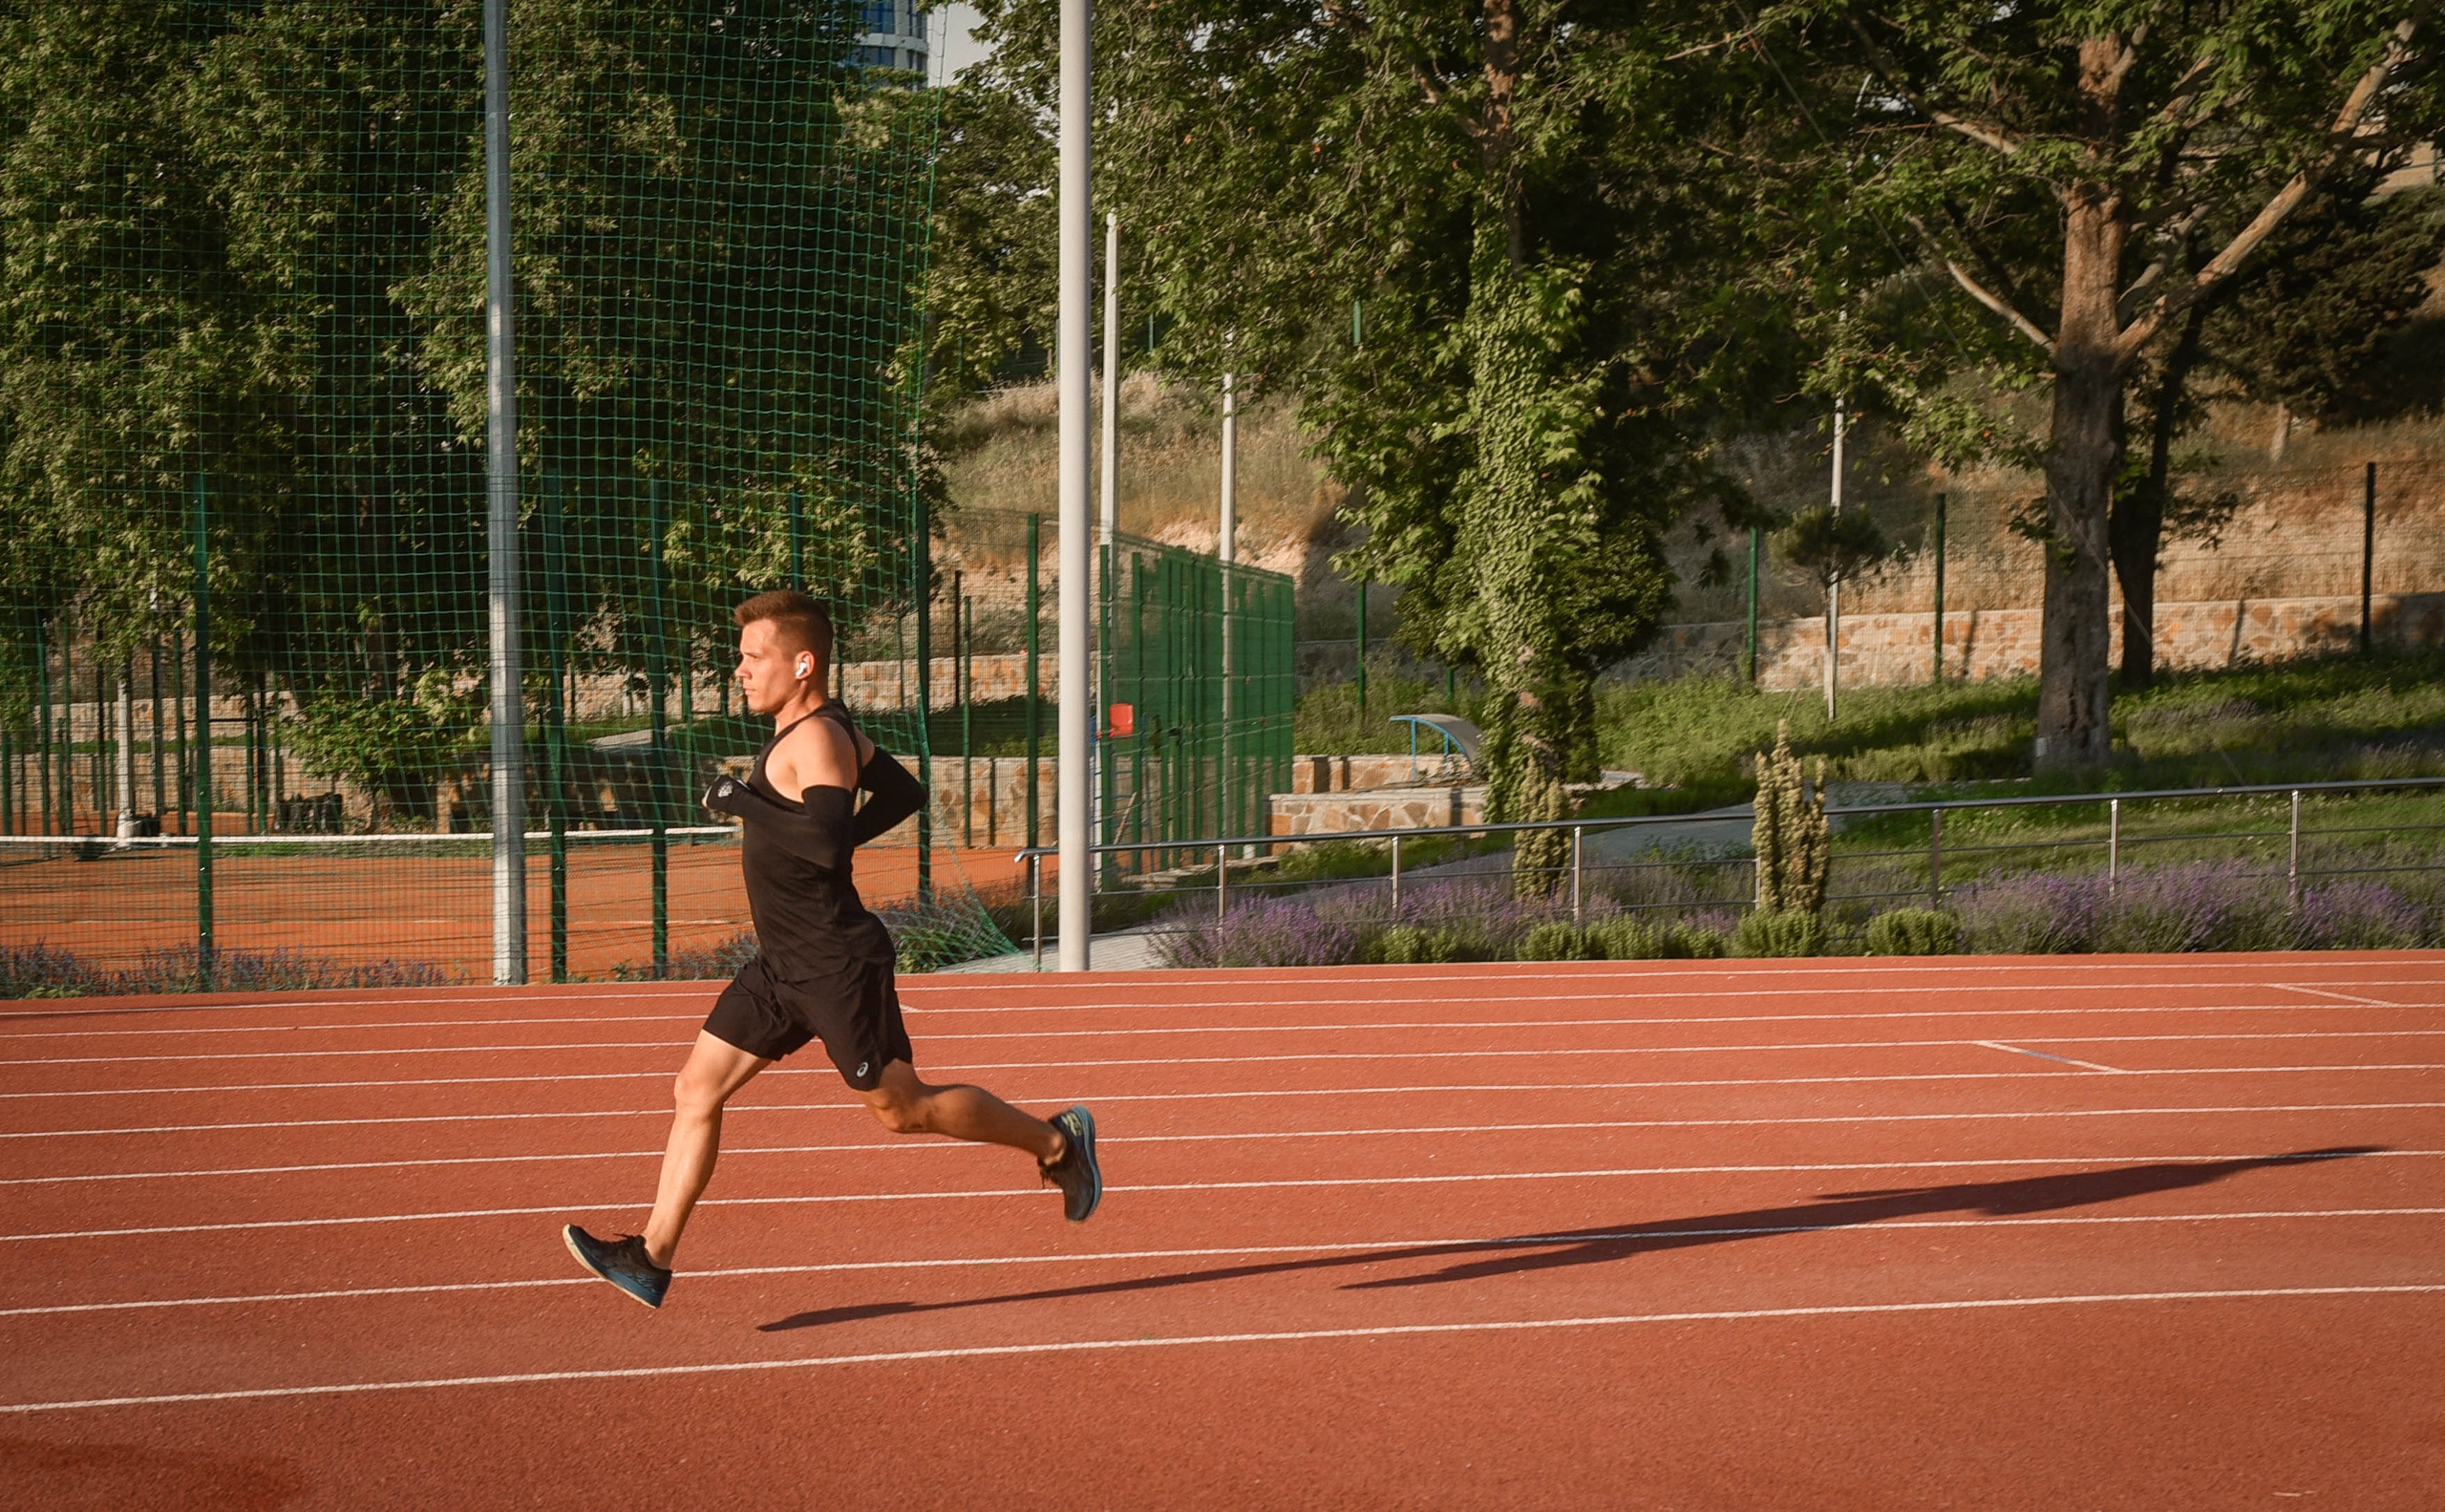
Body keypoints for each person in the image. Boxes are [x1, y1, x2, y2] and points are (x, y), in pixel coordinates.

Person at [563, 589, 1100, 1310]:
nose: (741, 670)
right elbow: (902, 794)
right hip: (781, 964)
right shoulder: (820, 730)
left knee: (903, 1109)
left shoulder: (817, 738)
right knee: (696, 1088)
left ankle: (1058, 1144)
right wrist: (821, 831)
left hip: (835, 964)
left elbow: (822, 841)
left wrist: (738, 801)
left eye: (754, 657)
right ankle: (651, 1258)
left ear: (802, 664)